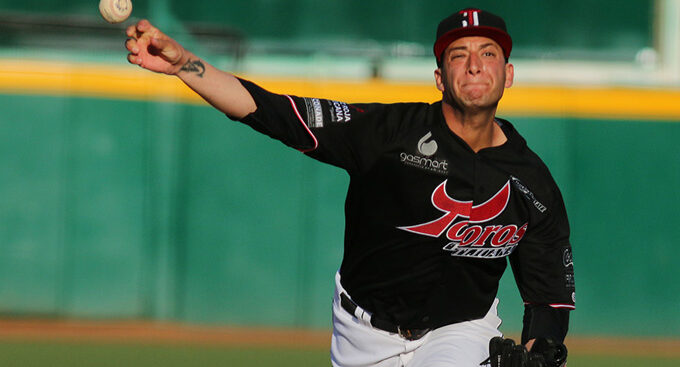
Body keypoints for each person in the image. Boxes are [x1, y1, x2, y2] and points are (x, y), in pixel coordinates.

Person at [125, 8, 575, 367]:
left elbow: (548, 296)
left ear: (508, 74)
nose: (475, 64)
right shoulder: (388, 134)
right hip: (362, 335)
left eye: (488, 53)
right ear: (439, 78)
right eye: (458, 54)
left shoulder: (531, 184)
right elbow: (275, 111)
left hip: (460, 331)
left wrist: (541, 354)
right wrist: (186, 65)